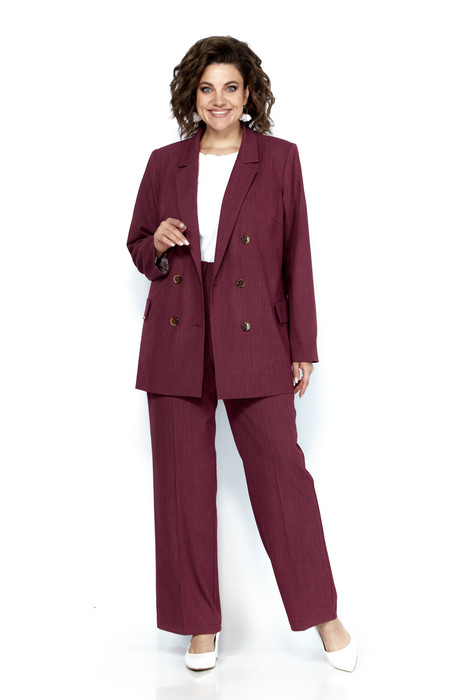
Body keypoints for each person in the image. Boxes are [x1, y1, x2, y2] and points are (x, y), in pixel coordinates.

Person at [126, 35, 358, 673]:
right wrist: (159, 244)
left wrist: (303, 345)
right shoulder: (164, 163)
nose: (219, 99)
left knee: (283, 477)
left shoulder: (279, 159)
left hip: (256, 334)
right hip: (178, 334)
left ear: (249, 93)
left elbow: (297, 253)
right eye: (207, 88)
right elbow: (139, 243)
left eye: (230, 87)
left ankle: (324, 616)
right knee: (183, 487)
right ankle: (199, 626)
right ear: (192, 96)